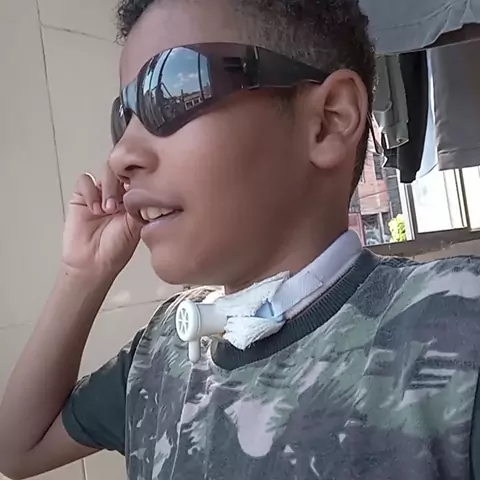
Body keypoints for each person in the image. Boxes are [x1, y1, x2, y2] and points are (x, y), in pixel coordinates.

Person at [1, 0, 480, 479]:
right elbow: (17, 448)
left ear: (328, 121)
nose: (121, 154)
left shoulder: (455, 329)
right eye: (123, 117)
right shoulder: (163, 351)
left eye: (174, 90)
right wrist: (84, 274)